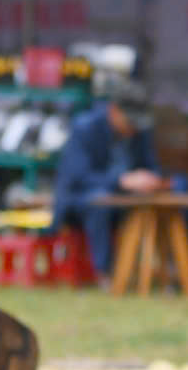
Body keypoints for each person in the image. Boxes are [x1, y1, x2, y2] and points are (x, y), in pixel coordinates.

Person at [53, 80, 164, 276]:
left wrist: (151, 179)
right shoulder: (85, 128)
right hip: (79, 200)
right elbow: (78, 177)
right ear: (114, 110)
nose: (134, 127)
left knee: (179, 187)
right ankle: (104, 272)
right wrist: (122, 181)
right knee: (99, 200)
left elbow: (152, 166)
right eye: (130, 121)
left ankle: (168, 269)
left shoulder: (140, 132)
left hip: (124, 198)